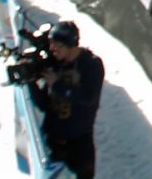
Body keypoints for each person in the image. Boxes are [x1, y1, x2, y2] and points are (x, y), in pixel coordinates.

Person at [32, 20, 103, 178]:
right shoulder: (57, 65)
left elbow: (88, 97)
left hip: (79, 144)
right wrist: (31, 84)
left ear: (71, 45)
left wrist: (57, 85)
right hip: (54, 141)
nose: (53, 50)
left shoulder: (91, 65)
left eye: (58, 46)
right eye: (51, 44)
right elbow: (44, 105)